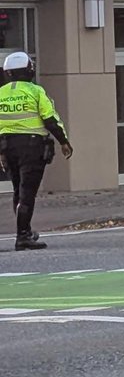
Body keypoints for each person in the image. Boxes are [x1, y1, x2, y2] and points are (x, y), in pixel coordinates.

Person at [0, 51, 73, 251]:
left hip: (7, 146)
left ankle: (25, 230)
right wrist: (64, 141)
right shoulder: (36, 91)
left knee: (17, 189)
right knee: (27, 192)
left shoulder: (1, 93)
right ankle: (23, 236)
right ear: (29, 70)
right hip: (31, 147)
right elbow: (50, 118)